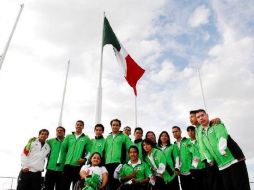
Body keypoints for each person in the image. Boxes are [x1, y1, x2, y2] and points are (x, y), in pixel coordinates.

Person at [196, 109, 250, 190]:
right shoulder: (201, 133)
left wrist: (222, 149)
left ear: (207, 115)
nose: (201, 118)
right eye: (198, 117)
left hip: (233, 160)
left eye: (202, 115)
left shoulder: (217, 125)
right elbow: (204, 148)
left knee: (240, 186)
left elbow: (221, 136)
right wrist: (209, 159)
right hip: (222, 166)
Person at [59, 120, 92, 190]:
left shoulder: (86, 138)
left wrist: (85, 159)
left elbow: (90, 152)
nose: (78, 126)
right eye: (77, 124)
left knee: (76, 186)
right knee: (64, 185)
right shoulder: (68, 137)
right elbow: (63, 149)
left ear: (83, 127)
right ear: (75, 126)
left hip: (78, 166)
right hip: (67, 165)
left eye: (80, 125)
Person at [103, 119, 132, 190]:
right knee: (108, 185)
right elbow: (104, 151)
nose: (115, 126)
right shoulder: (107, 138)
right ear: (111, 126)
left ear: (119, 127)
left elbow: (131, 148)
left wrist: (128, 162)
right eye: (113, 125)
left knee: (116, 184)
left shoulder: (124, 136)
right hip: (107, 164)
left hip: (118, 163)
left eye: (117, 125)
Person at [172, 126, 194, 190]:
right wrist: (176, 169)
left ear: (180, 131)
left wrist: (194, 167)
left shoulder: (188, 141)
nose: (175, 133)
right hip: (181, 173)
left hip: (192, 171)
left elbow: (195, 154)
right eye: (173, 132)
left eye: (176, 131)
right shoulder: (173, 146)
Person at [186, 126, 206, 190]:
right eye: (188, 131)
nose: (190, 132)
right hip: (195, 169)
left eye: (192, 130)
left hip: (204, 166)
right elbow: (189, 157)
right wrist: (191, 169)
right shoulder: (187, 144)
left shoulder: (199, 140)